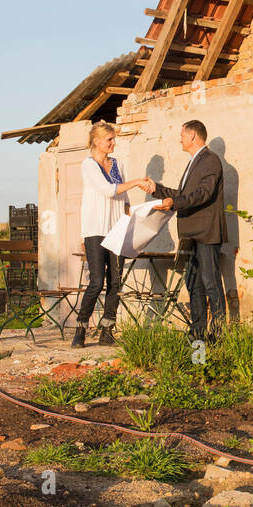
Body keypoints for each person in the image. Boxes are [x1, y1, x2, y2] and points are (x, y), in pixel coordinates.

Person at [132, 120, 227, 341]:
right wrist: (157, 190)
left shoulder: (211, 161)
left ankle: (221, 337)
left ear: (193, 136)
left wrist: (173, 203)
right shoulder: (194, 161)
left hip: (206, 232)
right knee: (194, 283)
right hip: (190, 234)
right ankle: (199, 336)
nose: (180, 139)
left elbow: (203, 194)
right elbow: (183, 195)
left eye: (183, 135)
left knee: (211, 282)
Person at [73, 122, 142, 347]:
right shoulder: (88, 165)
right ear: (96, 141)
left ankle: (107, 330)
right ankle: (81, 327)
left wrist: (129, 219)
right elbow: (108, 190)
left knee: (116, 281)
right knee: (96, 281)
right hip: (94, 230)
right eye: (109, 139)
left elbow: (124, 200)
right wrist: (137, 182)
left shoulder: (117, 164)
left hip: (117, 230)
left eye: (113, 139)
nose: (114, 143)